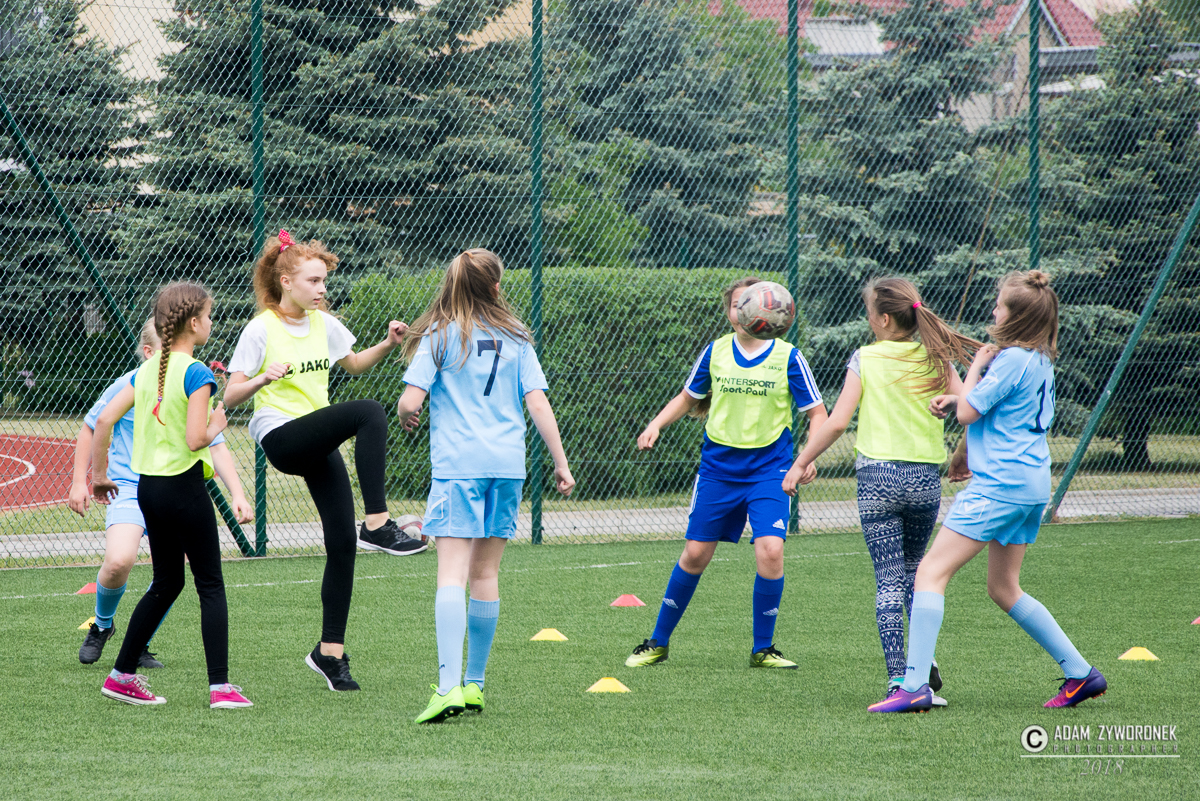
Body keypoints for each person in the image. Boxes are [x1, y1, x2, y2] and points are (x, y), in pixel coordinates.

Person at [869, 270, 1107, 713]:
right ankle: (1080, 673)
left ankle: (914, 685)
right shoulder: (1038, 360)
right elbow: (992, 411)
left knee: (929, 573)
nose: (993, 311)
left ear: (1015, 317)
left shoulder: (1010, 359)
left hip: (1001, 485)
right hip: (1031, 484)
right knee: (1003, 587)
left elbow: (970, 411)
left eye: (999, 306)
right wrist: (959, 419)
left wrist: (976, 366)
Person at [224, 230, 422, 693]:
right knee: (370, 411)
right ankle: (378, 523)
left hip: (316, 438)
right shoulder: (260, 329)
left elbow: (353, 364)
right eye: (313, 281)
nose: (322, 289)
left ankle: (329, 653)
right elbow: (230, 395)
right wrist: (260, 380)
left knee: (342, 544)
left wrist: (388, 343)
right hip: (282, 435)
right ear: (286, 282)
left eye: (324, 281)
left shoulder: (324, 324)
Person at [395, 248, 574, 723]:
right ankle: (474, 684)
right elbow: (537, 403)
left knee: (451, 575)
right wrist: (560, 463)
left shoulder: (439, 335)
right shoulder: (516, 337)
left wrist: (408, 412)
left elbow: (410, 400)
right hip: (507, 467)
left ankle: (447, 688)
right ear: (495, 287)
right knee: (486, 575)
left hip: (459, 468)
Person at [785, 278, 979, 705]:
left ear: (885, 319)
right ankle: (921, 665)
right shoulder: (937, 357)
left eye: (870, 313)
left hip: (878, 481)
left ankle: (900, 681)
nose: (868, 319)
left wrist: (800, 463)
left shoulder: (866, 358)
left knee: (889, 580)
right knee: (917, 574)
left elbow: (837, 422)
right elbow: (970, 409)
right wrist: (961, 455)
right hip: (924, 481)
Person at [625, 276, 827, 670]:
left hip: (770, 468)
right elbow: (688, 397)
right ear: (730, 312)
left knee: (771, 551)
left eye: (752, 303)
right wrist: (656, 424)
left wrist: (807, 457)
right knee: (695, 554)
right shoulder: (716, 351)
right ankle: (657, 642)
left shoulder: (788, 356)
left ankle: (763, 648)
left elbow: (817, 413)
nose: (746, 310)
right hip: (718, 470)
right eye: (738, 304)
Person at [92, 282, 253, 709]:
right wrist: (219, 422)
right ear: (194, 323)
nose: (212, 323)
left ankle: (121, 675)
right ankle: (221, 688)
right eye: (210, 316)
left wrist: (100, 476)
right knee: (210, 584)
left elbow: (104, 420)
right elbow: (196, 438)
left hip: (149, 491)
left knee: (167, 582)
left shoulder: (146, 370)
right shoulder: (197, 373)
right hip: (184, 489)